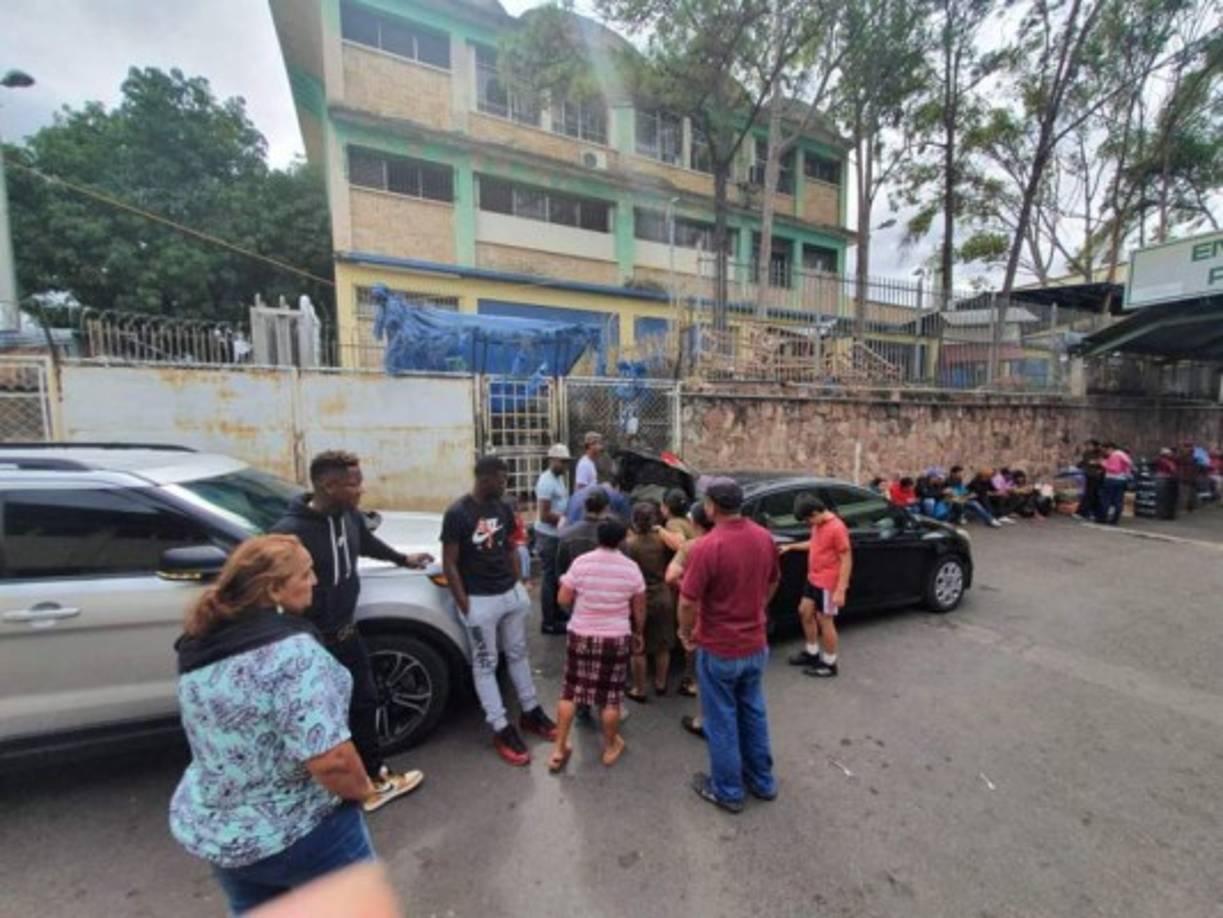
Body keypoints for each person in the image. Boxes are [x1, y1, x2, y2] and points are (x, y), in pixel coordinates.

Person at [170, 535, 379, 914]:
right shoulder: (293, 656)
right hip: (304, 831)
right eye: (306, 573)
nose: (315, 581)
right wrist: (364, 789)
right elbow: (330, 760)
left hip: (228, 837)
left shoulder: (200, 643)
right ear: (275, 589)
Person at [271, 451, 429, 812]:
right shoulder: (288, 534)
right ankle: (335, 789)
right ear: (328, 485)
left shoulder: (348, 516)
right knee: (322, 717)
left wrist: (402, 559)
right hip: (311, 644)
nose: (361, 489)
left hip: (346, 633)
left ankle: (373, 777)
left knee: (364, 701)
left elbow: (366, 543)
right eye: (353, 483)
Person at [441, 455, 558, 766]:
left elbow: (508, 546)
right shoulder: (457, 513)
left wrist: (519, 584)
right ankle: (500, 725)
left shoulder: (503, 506)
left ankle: (531, 711)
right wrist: (464, 603)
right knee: (485, 664)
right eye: (502, 478)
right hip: (479, 601)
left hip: (510, 595)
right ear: (485, 477)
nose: (506, 483)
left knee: (518, 654)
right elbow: (449, 562)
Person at [678, 478, 780, 813]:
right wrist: (758, 608)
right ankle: (763, 781)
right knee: (753, 712)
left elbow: (688, 600)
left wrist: (686, 632)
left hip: (719, 647)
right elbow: (774, 580)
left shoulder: (707, 546)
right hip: (754, 644)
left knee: (720, 721)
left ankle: (728, 791)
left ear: (711, 506)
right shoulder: (764, 537)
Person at [550, 518, 646, 771]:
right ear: (622, 540)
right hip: (615, 638)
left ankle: (559, 748)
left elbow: (562, 597)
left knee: (570, 692)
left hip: (580, 634)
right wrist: (639, 632)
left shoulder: (581, 563)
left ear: (597, 538)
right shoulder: (631, 568)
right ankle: (610, 746)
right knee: (611, 697)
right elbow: (639, 607)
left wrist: (578, 604)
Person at [780, 494, 852, 678]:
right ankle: (812, 653)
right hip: (813, 579)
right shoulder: (818, 524)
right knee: (805, 612)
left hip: (828, 583)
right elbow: (816, 544)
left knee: (825, 621)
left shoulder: (837, 528)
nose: (808, 523)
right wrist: (792, 547)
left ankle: (829, 664)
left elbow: (846, 558)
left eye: (808, 519)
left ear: (815, 512)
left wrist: (840, 589)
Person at [666, 502, 714, 737]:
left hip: (704, 616)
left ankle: (704, 721)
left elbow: (672, 576)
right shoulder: (752, 539)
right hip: (745, 632)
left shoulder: (694, 547)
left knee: (706, 669)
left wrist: (684, 632)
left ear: (694, 523)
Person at [625, 502, 677, 700]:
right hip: (663, 594)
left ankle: (640, 689)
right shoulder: (662, 541)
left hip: (639, 597)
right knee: (662, 645)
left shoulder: (630, 545)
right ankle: (661, 683)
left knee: (638, 645)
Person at [535, 444, 572, 635]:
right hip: (548, 536)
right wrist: (565, 519)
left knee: (557, 577)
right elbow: (544, 515)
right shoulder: (546, 481)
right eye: (562, 462)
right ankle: (548, 622)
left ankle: (557, 613)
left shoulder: (559, 479)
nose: (565, 466)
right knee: (549, 578)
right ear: (552, 460)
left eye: (566, 462)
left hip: (556, 534)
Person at [557, 487, 611, 578]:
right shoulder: (614, 537)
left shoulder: (566, 535)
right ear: (607, 508)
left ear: (584, 507)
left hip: (575, 588)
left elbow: (561, 574)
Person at [563, 477, 632, 527]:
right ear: (617, 487)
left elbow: (563, 520)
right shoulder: (617, 496)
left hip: (571, 537)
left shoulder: (575, 495)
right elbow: (626, 523)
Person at [1098, 442, 1133, 525]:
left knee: (1106, 499)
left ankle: (1103, 518)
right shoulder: (1123, 455)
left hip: (1111, 479)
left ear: (1110, 448)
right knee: (1118, 500)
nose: (1105, 452)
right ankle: (1115, 519)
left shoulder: (1114, 455)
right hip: (1121, 480)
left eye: (1105, 450)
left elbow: (1114, 469)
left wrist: (1103, 464)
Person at [1076, 439, 1104, 521]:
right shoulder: (1087, 453)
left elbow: (1103, 463)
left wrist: (1097, 464)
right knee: (1089, 494)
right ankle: (1085, 512)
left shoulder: (1100, 453)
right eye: (1087, 445)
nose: (1088, 447)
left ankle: (1089, 512)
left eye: (1090, 445)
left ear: (1094, 446)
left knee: (1093, 495)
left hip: (1096, 476)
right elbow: (1084, 462)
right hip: (1089, 475)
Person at [1175, 441, 1199, 514]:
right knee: (1184, 493)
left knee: (1191, 493)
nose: (1190, 448)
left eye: (1190, 446)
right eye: (1188, 446)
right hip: (1184, 476)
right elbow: (1178, 461)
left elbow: (1194, 465)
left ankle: (1190, 508)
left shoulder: (1192, 454)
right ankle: (1183, 508)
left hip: (1191, 476)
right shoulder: (1182, 454)